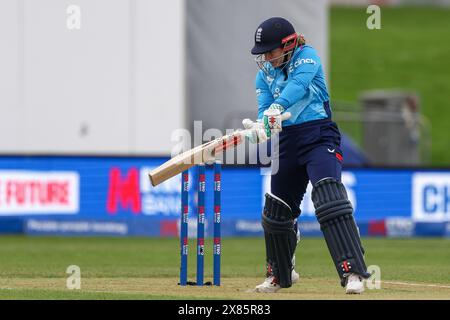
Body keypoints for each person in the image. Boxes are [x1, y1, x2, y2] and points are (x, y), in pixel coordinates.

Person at [242, 17, 371, 294]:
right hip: (288, 141)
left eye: (271, 51)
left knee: (329, 198)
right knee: (277, 211)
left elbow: (297, 88)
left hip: (319, 135)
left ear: (288, 45)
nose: (266, 57)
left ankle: (354, 273)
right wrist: (261, 127)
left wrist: (276, 108)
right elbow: (266, 109)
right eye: (263, 52)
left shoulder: (307, 57)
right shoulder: (264, 74)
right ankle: (279, 274)